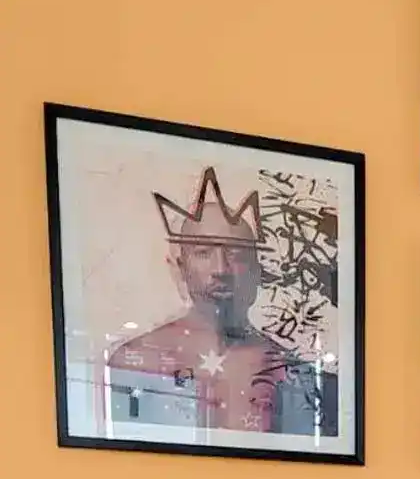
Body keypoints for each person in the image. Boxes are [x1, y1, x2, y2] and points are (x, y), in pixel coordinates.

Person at [108, 167, 328, 437]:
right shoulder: (134, 361)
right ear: (181, 267)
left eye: (235, 254)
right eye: (203, 253)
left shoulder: (293, 374)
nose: (221, 269)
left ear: (256, 271)